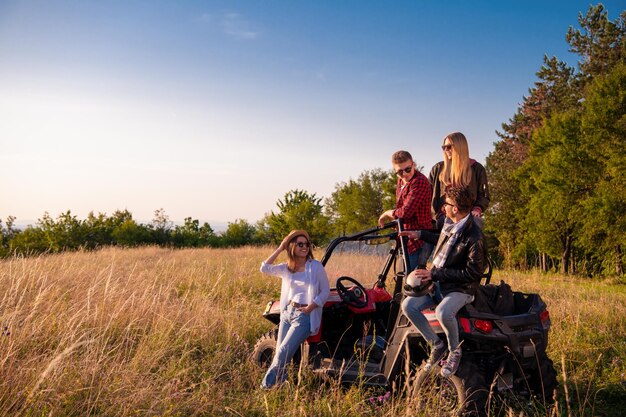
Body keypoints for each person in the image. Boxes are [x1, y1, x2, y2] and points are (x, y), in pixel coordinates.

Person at [399, 186, 486, 377]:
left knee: (443, 312)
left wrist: (435, 275)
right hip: (440, 282)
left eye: (446, 204)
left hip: (461, 288)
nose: (443, 208)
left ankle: (455, 351)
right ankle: (436, 345)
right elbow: (443, 240)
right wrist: (419, 234)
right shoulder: (453, 226)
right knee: (408, 306)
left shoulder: (474, 236)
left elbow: (472, 273)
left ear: (455, 208)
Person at [259, 230, 330, 389]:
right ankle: (281, 386)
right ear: (291, 246)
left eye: (306, 244)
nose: (304, 247)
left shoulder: (315, 267)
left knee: (283, 351)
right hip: (287, 313)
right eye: (300, 244)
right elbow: (264, 268)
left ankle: (266, 387)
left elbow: (325, 291)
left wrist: (310, 307)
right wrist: (280, 248)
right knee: (280, 352)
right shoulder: (287, 268)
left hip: (304, 315)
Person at [378, 150, 432, 270]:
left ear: (413, 164)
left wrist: (387, 213)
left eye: (408, 169)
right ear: (395, 171)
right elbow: (401, 208)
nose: (405, 174)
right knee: (407, 278)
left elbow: (405, 212)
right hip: (405, 237)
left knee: (415, 282)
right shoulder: (401, 181)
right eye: (400, 171)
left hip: (418, 240)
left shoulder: (419, 182)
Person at [429, 132, 489, 230]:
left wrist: (477, 209)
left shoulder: (477, 169)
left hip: (467, 217)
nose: (446, 150)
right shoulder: (438, 169)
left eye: (448, 147)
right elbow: (427, 195)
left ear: (460, 146)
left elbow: (484, 196)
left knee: (476, 226)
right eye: (443, 147)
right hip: (442, 218)